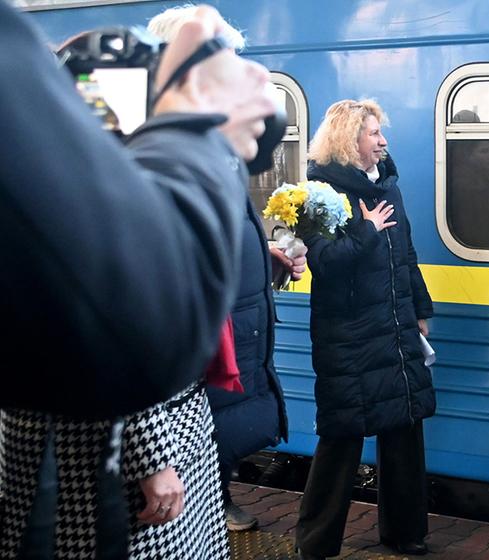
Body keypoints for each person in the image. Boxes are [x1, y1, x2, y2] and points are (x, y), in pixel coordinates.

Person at [0, 5, 278, 559]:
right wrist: (200, 130)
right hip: (103, 452)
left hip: (154, 425)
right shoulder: (119, 108)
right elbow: (125, 301)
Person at [147, 5, 301, 533]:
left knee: (200, 520)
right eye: (227, 65)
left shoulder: (215, 153)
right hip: (163, 420)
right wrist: (153, 460)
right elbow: (133, 327)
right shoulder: (154, 160)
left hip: (204, 384)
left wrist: (267, 263)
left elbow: (220, 242)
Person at [295, 99, 435, 559]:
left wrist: (420, 308)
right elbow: (324, 263)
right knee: (341, 437)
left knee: (404, 428)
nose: (383, 141)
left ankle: (405, 533)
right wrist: (367, 230)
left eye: (380, 133)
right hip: (349, 335)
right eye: (373, 133)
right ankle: (315, 543)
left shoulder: (387, 187)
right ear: (348, 140)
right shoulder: (318, 193)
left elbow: (406, 254)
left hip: (394, 327)